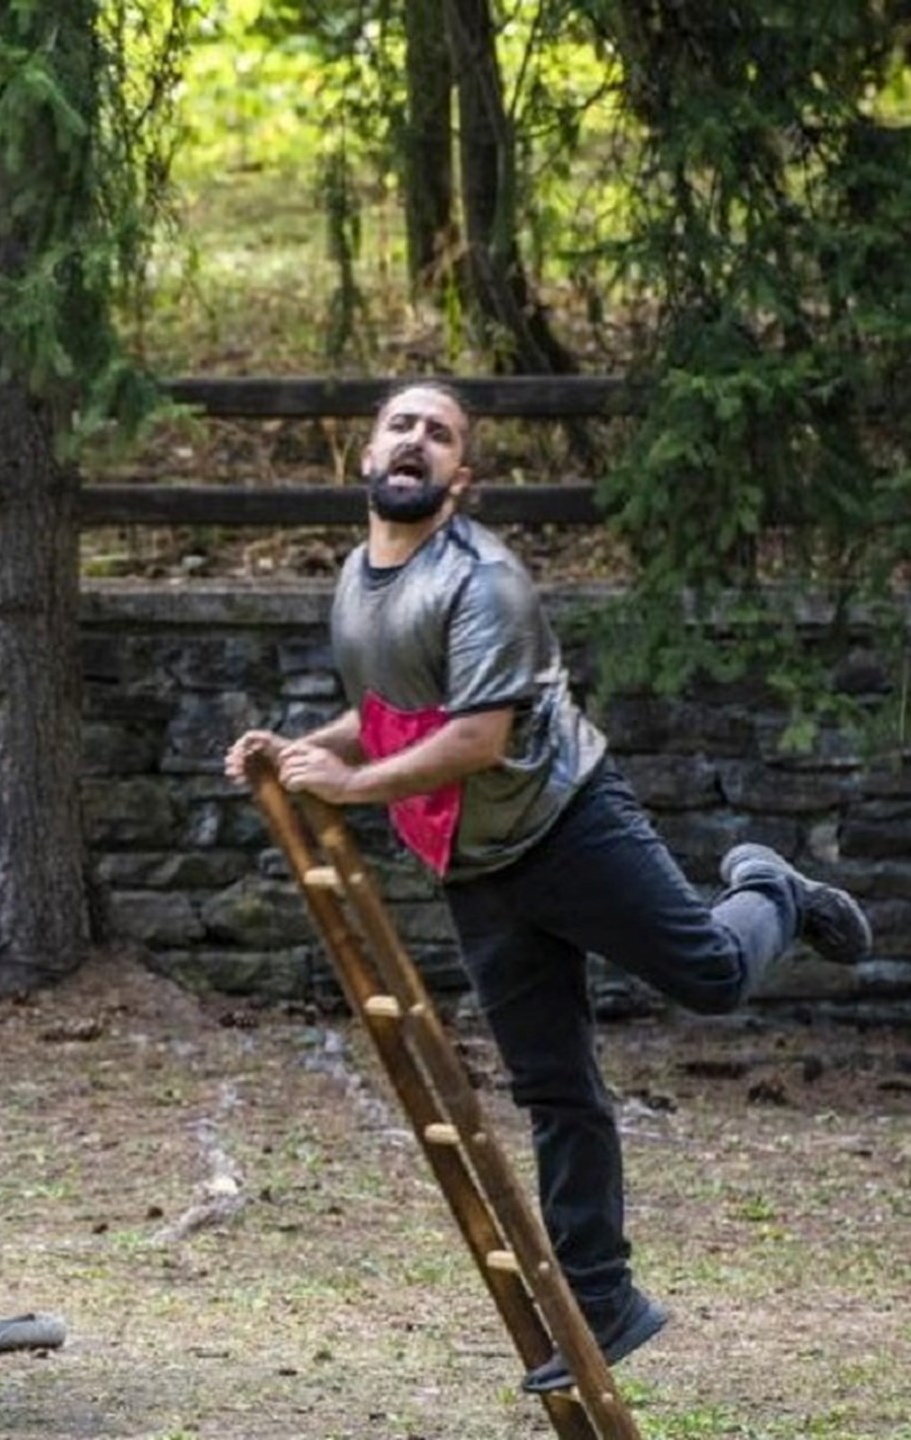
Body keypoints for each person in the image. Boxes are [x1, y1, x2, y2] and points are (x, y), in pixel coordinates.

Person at [223, 380, 873, 1395]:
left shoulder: (485, 581)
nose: (416, 441)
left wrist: (347, 787)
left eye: (440, 434)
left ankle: (772, 889)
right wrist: (300, 749)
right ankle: (603, 1300)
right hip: (476, 865)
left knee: (710, 976)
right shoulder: (356, 579)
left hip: (568, 824)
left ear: (461, 477)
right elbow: (392, 712)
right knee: (554, 1087)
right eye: (401, 425)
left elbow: (477, 738)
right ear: (366, 455)